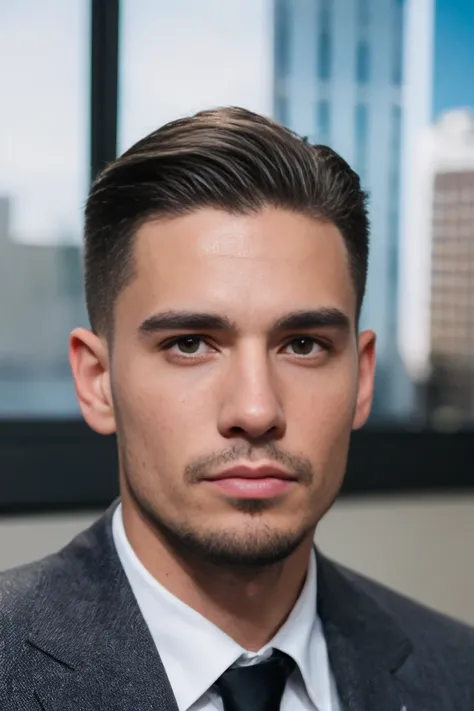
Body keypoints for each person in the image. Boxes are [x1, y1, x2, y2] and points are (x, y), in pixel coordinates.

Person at [1, 107, 473, 711]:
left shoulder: (458, 674)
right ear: (97, 381)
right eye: (190, 344)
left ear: (362, 379)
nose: (255, 410)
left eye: (303, 345)